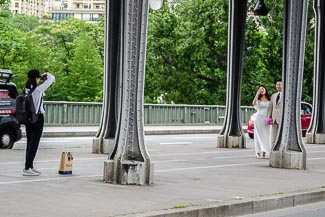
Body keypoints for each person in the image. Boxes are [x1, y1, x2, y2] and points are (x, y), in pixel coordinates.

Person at [22, 70, 55, 176]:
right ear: (36, 78)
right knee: (34, 144)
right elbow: (52, 79)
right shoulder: (38, 90)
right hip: (37, 118)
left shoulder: (26, 90)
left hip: (28, 119)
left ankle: (29, 166)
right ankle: (27, 168)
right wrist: (47, 74)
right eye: (39, 78)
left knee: (29, 143)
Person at [252, 85, 272, 159]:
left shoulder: (269, 99)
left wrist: (270, 118)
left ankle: (264, 151)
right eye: (260, 89)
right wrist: (257, 93)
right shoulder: (258, 99)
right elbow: (253, 103)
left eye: (263, 88)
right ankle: (258, 152)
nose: (262, 90)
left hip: (266, 119)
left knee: (266, 135)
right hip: (259, 118)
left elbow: (271, 109)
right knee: (258, 135)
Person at [269, 79, 282, 144]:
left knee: (281, 136)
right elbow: (271, 108)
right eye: (277, 84)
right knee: (273, 137)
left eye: (279, 84)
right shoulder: (273, 96)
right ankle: (273, 149)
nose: (278, 86)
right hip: (274, 119)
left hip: (281, 119)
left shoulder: (286, 95)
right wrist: (269, 117)